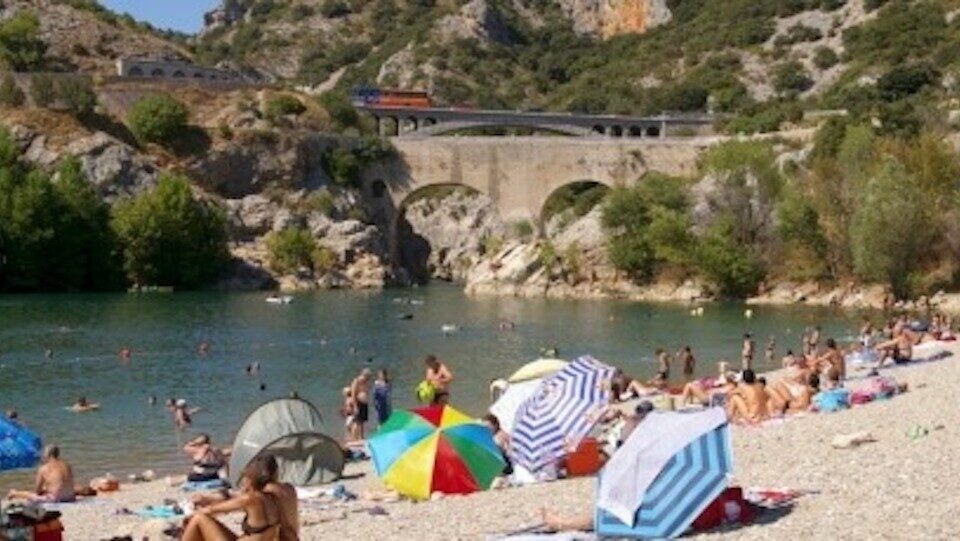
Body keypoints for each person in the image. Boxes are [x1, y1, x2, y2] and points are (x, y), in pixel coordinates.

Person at [182, 460, 281, 541]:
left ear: (250, 478)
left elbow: (211, 509)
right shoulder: (272, 498)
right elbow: (230, 504)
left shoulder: (250, 499)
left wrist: (191, 514)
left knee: (199, 518)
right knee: (202, 523)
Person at [7, 445, 76, 503]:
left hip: (56, 499)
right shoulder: (67, 465)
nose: (44, 455)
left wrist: (44, 490)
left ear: (49, 455)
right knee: (47, 490)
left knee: (33, 496)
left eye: (45, 453)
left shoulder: (44, 468)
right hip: (70, 497)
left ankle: (14, 493)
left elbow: (37, 491)